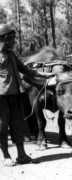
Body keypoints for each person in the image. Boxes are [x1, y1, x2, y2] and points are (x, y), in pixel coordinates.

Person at [0, 24, 54, 167]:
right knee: (2, 127)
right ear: (6, 38)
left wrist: (44, 74)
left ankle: (22, 155)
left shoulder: (11, 54)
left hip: (16, 95)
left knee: (17, 126)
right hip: (1, 97)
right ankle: (6, 156)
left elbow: (25, 69)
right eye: (13, 39)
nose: (15, 42)